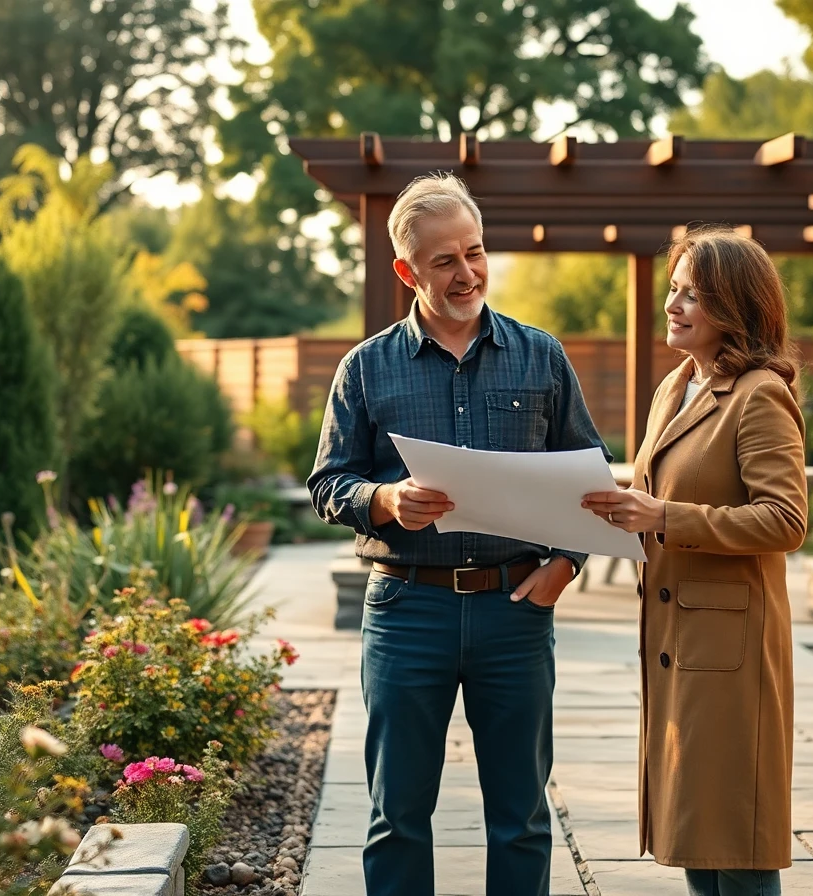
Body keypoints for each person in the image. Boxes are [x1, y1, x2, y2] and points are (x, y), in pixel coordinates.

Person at [308, 172, 610, 896]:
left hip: (516, 612)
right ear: (407, 271)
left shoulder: (541, 357)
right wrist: (384, 500)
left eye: (474, 252)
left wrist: (563, 567)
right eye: (444, 261)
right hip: (408, 612)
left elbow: (590, 483)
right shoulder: (365, 368)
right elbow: (328, 485)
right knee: (398, 816)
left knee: (521, 816)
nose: (466, 272)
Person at [582, 228, 807, 896]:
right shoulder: (675, 386)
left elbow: (786, 520)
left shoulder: (759, 393)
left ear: (733, 307)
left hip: (731, 650)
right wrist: (622, 508)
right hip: (676, 641)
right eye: (673, 290)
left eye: (693, 296)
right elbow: (663, 494)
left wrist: (664, 518)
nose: (673, 306)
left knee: (736, 838)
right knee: (695, 833)